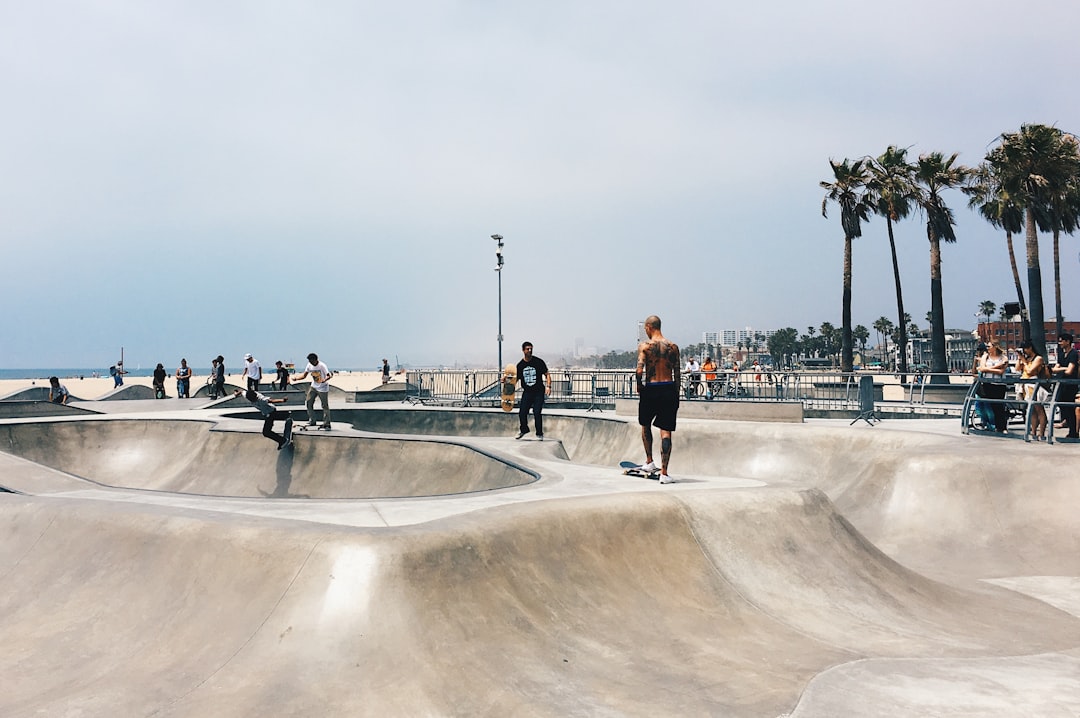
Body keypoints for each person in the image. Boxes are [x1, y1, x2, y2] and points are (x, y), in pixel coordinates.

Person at [634, 315, 680, 484]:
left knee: (645, 425)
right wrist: (676, 394)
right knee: (666, 431)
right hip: (668, 388)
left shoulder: (645, 346)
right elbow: (677, 373)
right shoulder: (673, 347)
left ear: (648, 327)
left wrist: (639, 385)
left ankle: (649, 461)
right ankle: (664, 473)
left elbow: (639, 370)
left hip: (651, 389)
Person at [515, 341, 551, 440]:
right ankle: (524, 429)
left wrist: (548, 386)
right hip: (527, 392)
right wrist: (506, 382)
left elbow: (547, 374)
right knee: (522, 413)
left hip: (538, 392)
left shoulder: (538, 362)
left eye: (531, 349)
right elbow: (515, 379)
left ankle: (539, 433)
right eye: (528, 349)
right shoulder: (520, 365)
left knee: (537, 412)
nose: (530, 351)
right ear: (523, 350)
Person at [1016, 339, 1050, 440]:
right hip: (1025, 385)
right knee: (1032, 411)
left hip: (1034, 384)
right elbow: (1018, 368)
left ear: (1030, 347)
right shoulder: (1026, 358)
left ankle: (1042, 432)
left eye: (1025, 348)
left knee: (1039, 409)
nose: (1025, 351)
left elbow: (1031, 371)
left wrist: (1024, 362)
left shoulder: (1038, 358)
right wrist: (1020, 359)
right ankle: (1034, 431)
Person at [976, 341, 1009, 433]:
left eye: (989, 346)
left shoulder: (1003, 357)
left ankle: (1002, 427)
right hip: (988, 384)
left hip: (1000, 385)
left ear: (995, 347)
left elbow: (1001, 372)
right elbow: (982, 368)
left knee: (999, 406)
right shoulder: (985, 357)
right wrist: (997, 366)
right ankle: (992, 425)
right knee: (990, 406)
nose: (988, 348)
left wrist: (988, 369)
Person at [293, 352, 332, 428]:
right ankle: (312, 420)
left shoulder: (322, 366)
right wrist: (296, 378)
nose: (310, 363)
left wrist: (324, 380)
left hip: (323, 388)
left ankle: (327, 423)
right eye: (309, 361)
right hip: (314, 387)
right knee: (308, 402)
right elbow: (304, 375)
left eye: (312, 361)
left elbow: (329, 375)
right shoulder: (309, 365)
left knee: (324, 405)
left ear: (316, 360)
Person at [1052, 333, 1078, 438]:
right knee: (1060, 403)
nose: (1060, 343)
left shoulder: (1073, 354)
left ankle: (1073, 431)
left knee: (1070, 407)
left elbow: (1070, 371)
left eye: (1062, 341)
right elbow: (1055, 369)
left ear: (1068, 342)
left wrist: (1062, 369)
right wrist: (1064, 368)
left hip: (1070, 385)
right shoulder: (1061, 354)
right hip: (1062, 384)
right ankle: (1066, 421)